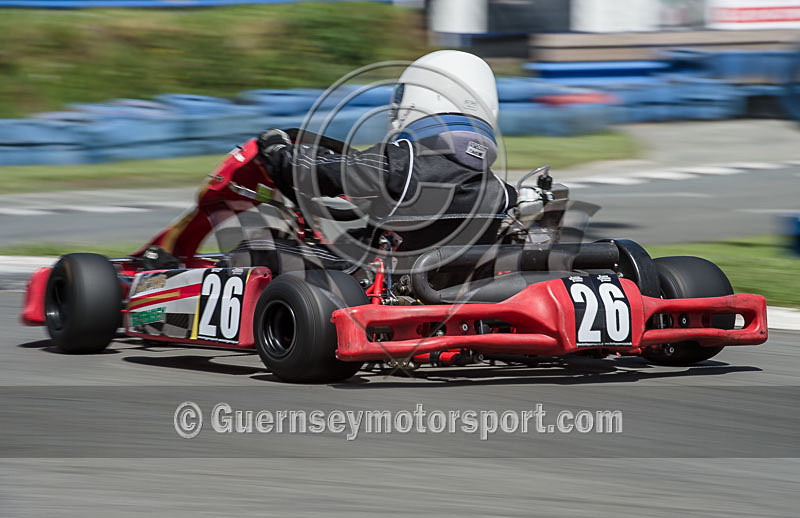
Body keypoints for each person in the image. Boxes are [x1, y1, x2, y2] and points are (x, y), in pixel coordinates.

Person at [256, 50, 519, 254]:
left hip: (382, 283)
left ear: (418, 98)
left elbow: (325, 171)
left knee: (264, 252)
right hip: (452, 290)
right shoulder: (500, 190)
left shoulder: (403, 164)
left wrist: (279, 153)